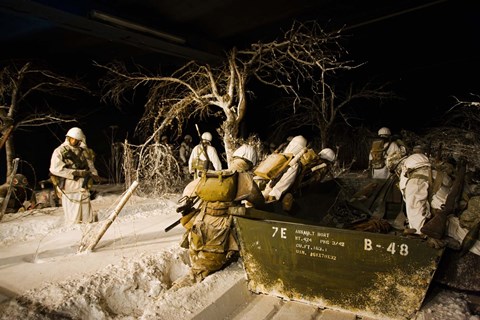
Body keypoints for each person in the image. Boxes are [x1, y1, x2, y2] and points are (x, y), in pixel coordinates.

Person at [49, 127, 99, 226]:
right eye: (72, 139)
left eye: (76, 139)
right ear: (68, 138)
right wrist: (75, 173)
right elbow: (55, 169)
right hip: (69, 187)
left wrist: (94, 175)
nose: (74, 141)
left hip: (83, 187)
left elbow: (90, 165)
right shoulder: (60, 151)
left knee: (86, 217)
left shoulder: (84, 151)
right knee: (73, 217)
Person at [262, 135, 307, 202]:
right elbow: (285, 181)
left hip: (272, 187)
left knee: (270, 190)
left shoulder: (285, 157)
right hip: (273, 187)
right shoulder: (290, 160)